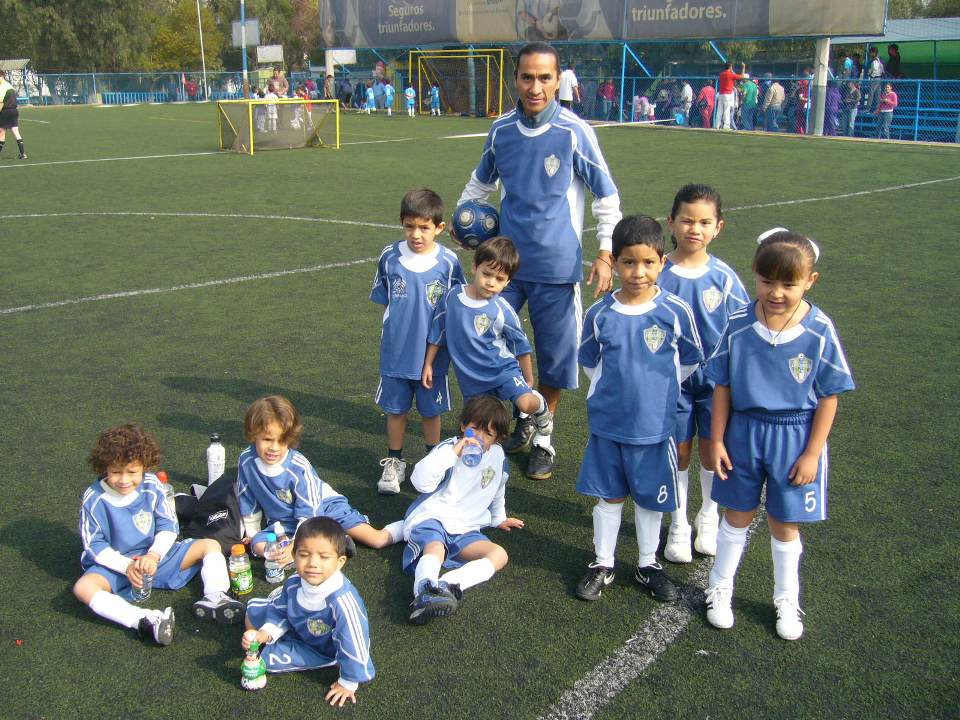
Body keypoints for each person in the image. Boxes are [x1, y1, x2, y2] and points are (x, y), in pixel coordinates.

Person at [455, 42, 622, 480]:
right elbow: (478, 187)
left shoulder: (574, 130)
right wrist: (462, 222)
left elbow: (607, 195)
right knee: (491, 351)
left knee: (554, 359)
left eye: (544, 78)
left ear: (558, 80)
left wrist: (605, 252)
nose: (535, 86)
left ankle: (543, 439)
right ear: (515, 79)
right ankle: (509, 424)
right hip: (504, 268)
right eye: (527, 77)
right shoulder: (501, 130)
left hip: (557, 268)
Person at [704, 229, 855, 640]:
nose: (776, 292)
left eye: (789, 284)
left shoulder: (819, 329)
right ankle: (719, 587)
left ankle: (787, 599)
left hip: (794, 437)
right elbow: (723, 387)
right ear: (755, 275)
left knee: (785, 523)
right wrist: (717, 439)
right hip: (744, 433)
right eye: (768, 281)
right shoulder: (738, 324)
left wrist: (812, 453)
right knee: (736, 515)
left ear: (810, 281)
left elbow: (828, 398)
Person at [574, 215, 703, 603]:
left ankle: (648, 564)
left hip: (654, 428)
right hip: (609, 426)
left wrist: (655, 392)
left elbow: (689, 361)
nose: (638, 271)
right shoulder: (600, 314)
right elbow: (590, 362)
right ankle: (602, 563)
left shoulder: (675, 312)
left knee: (650, 498)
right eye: (629, 262)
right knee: (609, 497)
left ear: (662, 262)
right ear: (614, 262)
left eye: (648, 262)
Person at [73, 425, 244, 646]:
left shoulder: (152, 486)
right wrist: (127, 567)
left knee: (210, 545)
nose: (124, 480)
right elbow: (94, 546)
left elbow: (168, 525)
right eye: (116, 472)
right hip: (118, 566)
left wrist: (154, 555)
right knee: (83, 588)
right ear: (104, 468)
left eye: (132, 472)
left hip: (157, 557)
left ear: (144, 466)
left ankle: (216, 596)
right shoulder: (94, 499)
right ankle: (145, 620)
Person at [658, 185, 748, 563]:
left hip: (715, 386)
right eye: (687, 220)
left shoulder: (725, 278)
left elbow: (744, 327)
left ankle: (707, 516)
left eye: (704, 222)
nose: (695, 228)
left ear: (718, 227)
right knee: (678, 451)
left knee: (712, 453)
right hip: (671, 382)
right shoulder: (657, 271)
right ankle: (678, 523)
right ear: (672, 223)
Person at [371, 189, 466, 495]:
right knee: (396, 409)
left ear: (439, 227)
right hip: (397, 352)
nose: (416, 234)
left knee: (430, 411)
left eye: (424, 227)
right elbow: (385, 300)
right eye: (410, 226)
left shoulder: (449, 263)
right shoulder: (389, 257)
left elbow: (456, 305)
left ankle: (432, 461)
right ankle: (395, 461)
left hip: (434, 356)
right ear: (402, 223)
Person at [423, 237, 554, 453]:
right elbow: (439, 331)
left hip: (502, 371)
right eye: (487, 274)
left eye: (499, 278)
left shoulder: (501, 309)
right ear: (475, 266)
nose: (491, 282)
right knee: (478, 435)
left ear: (507, 283)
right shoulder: (452, 297)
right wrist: (429, 363)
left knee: (525, 404)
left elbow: (520, 344)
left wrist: (528, 378)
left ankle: (541, 410)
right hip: (472, 382)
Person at [237, 395, 403, 564]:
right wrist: (252, 533)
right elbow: (247, 497)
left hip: (324, 507)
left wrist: (295, 546)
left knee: (376, 540)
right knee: (257, 544)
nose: (274, 447)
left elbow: (310, 512)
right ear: (253, 434)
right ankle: (332, 541)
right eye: (267, 439)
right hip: (284, 524)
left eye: (282, 441)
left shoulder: (298, 467)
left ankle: (410, 525)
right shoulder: (247, 461)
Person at [401, 396, 523, 624]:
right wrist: (453, 453)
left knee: (499, 555)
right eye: (474, 429)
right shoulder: (448, 448)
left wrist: (499, 519)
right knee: (435, 547)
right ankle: (425, 590)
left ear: (497, 438)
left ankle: (447, 586)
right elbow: (419, 482)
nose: (479, 438)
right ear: (463, 426)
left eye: (488, 433)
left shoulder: (497, 456)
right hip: (433, 518)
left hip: (465, 528)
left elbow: (498, 488)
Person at [244, 517, 374, 705]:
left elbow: (354, 640)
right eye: (304, 555)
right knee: (251, 615)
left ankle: (323, 659)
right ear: (293, 555)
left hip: (323, 649)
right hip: (298, 627)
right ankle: (276, 632)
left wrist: (348, 682)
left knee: (268, 661)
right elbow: (280, 611)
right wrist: (265, 633)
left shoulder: (343, 602)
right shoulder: (294, 582)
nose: (313, 563)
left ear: (340, 561)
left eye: (324, 557)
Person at [0, 70, 27, 159]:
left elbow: (1, 103)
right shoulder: (9, 85)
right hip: (14, 111)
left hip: (6, 111)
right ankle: (23, 154)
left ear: (1, 76)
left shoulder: (2, 87)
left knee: (1, 132)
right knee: (15, 131)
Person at [715, 62, 749, 129]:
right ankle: (726, 125)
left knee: (719, 110)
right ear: (730, 67)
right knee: (726, 110)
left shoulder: (722, 74)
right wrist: (743, 67)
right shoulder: (730, 74)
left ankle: (717, 125)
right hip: (727, 94)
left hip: (721, 93)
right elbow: (741, 77)